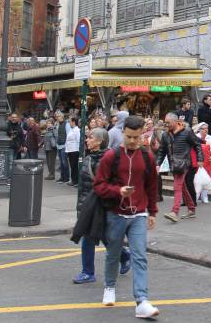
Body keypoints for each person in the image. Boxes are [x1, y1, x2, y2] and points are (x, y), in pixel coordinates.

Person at [93, 115, 159, 318]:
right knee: (113, 253)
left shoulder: (147, 156)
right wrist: (118, 191)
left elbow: (152, 186)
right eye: (129, 137)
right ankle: (110, 287)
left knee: (140, 256)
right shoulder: (111, 156)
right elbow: (99, 185)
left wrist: (152, 212)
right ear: (122, 133)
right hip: (116, 214)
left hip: (139, 213)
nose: (132, 141)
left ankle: (142, 301)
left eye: (137, 137)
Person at [72, 127, 131, 284]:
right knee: (94, 235)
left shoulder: (108, 159)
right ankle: (92, 270)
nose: (87, 140)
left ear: (100, 141)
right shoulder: (90, 157)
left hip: (101, 205)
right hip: (89, 204)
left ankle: (91, 271)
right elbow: (84, 185)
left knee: (100, 236)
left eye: (91, 137)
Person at [162, 112, 203, 223]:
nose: (166, 125)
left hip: (184, 163)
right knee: (182, 187)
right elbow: (162, 151)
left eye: (168, 123)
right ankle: (191, 209)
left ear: (176, 122)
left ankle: (174, 212)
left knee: (177, 186)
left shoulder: (187, 132)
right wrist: (157, 164)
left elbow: (197, 145)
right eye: (165, 123)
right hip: (174, 164)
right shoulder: (165, 135)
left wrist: (200, 159)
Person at [194, 122, 211, 204]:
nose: (205, 130)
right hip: (198, 162)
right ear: (199, 130)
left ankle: (204, 196)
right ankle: (196, 195)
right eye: (203, 129)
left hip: (208, 162)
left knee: (206, 179)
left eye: (206, 129)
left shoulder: (210, 138)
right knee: (197, 179)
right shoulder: (195, 137)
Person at [65, 116, 81, 187]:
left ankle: (76, 181)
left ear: (73, 122)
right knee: (72, 166)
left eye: (70, 121)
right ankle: (73, 180)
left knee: (74, 166)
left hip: (75, 150)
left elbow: (78, 140)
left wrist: (78, 150)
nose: (69, 123)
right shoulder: (71, 130)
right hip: (70, 150)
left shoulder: (77, 130)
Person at [55, 111, 70, 183]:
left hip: (64, 145)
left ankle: (66, 177)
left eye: (59, 116)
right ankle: (62, 177)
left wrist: (67, 146)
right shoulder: (58, 124)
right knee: (61, 163)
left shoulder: (66, 124)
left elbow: (68, 135)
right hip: (59, 145)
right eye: (57, 117)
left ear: (62, 117)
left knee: (64, 162)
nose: (58, 118)